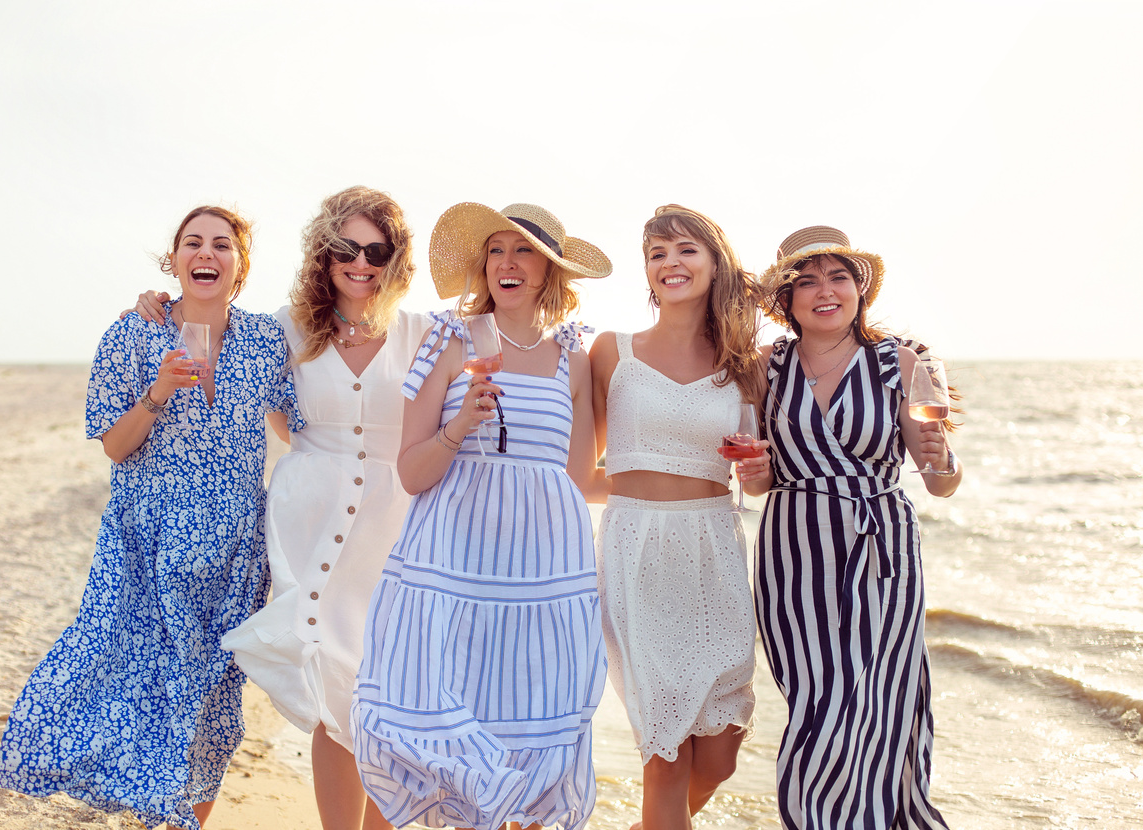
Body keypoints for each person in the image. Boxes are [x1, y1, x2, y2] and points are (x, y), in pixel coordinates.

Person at [131, 186, 428, 830]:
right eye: (346, 247)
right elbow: (217, 338)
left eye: (377, 251)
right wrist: (156, 303)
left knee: (390, 691)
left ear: (396, 258)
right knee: (333, 685)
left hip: (397, 528)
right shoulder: (284, 328)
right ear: (324, 252)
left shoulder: (424, 332)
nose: (361, 262)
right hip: (310, 526)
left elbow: (502, 339)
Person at [0, 206, 303, 830]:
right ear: (175, 259)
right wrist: (158, 391)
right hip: (148, 547)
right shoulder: (132, 335)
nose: (206, 253)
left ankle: (188, 818)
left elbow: (297, 426)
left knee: (212, 707)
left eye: (222, 244)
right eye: (193, 242)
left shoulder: (267, 340)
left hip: (233, 556)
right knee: (125, 683)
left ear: (240, 264)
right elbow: (115, 445)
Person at [351, 202, 610, 830]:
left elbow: (578, 479)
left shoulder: (573, 358)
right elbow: (411, 472)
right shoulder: (451, 339)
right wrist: (461, 424)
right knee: (425, 724)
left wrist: (683, 487)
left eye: (523, 251)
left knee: (531, 726)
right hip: (450, 568)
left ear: (550, 271)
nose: (507, 263)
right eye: (496, 250)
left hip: (539, 578)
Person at [752, 226, 962, 830]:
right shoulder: (767, 367)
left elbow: (940, 482)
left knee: (878, 693)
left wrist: (941, 455)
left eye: (838, 277)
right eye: (807, 282)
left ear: (859, 289)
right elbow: (759, 480)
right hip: (794, 550)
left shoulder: (901, 361)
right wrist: (757, 472)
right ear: (786, 299)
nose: (825, 291)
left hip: (881, 547)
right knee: (818, 696)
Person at [588, 204, 767, 830]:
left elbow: (759, 479)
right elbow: (578, 473)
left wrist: (759, 470)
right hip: (637, 551)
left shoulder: (747, 365)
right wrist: (645, 489)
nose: (671, 263)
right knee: (665, 754)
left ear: (716, 263)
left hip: (715, 551)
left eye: (686, 249)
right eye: (657, 254)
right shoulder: (611, 352)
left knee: (719, 755)